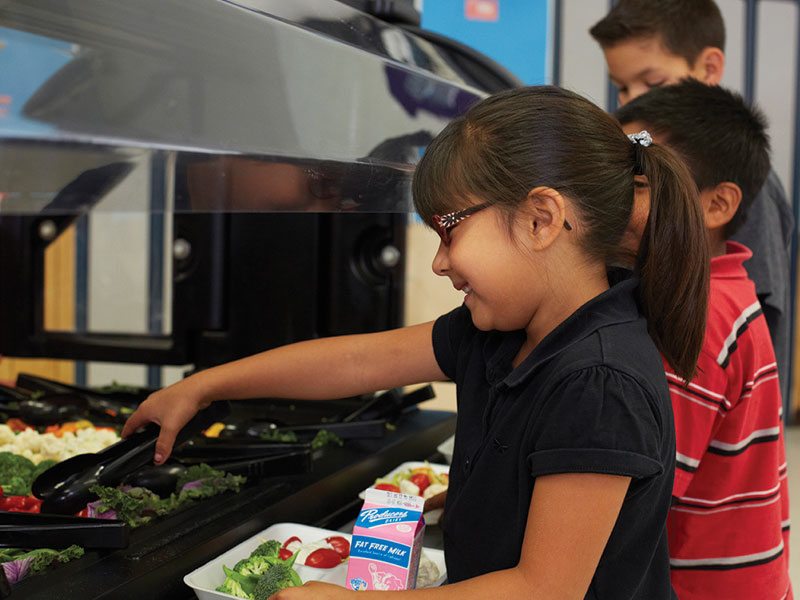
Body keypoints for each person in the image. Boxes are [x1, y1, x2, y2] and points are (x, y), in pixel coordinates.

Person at [123, 86, 710, 599]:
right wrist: (204, 385)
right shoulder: (499, 333)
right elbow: (356, 360)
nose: (437, 262)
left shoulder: (599, 382)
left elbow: (543, 589)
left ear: (540, 219)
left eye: (448, 231)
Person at [616, 80, 792, 600]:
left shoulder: (700, 313)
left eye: (641, 181)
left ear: (717, 205)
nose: (611, 196)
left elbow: (642, 493)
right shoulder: (725, 289)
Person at [590, 0, 795, 413]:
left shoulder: (740, 187)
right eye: (623, 88)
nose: (632, 102)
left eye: (652, 83)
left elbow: (758, 318)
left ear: (708, 68)